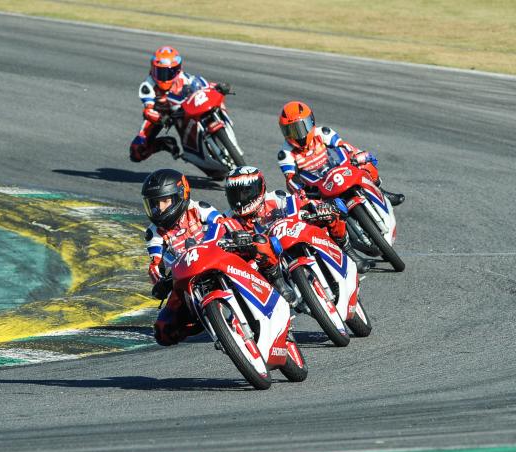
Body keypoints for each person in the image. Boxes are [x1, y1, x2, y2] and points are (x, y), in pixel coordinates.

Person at [142, 168, 292, 347]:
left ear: (180, 195)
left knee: (260, 244)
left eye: (164, 201)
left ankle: (277, 280)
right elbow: (155, 263)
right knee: (162, 331)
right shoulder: (153, 232)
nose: (159, 209)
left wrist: (237, 234)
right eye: (154, 204)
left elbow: (222, 222)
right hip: (187, 274)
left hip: (218, 254)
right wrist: (160, 281)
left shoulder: (197, 208)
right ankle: (210, 323)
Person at [223, 166, 372, 274]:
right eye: (234, 195)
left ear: (260, 188)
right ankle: (279, 285)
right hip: (267, 260)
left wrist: (317, 207)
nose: (239, 200)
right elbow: (219, 239)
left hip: (295, 234)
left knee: (334, 210)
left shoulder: (276, 197)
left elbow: (299, 202)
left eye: (245, 193)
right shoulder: (228, 218)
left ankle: (348, 251)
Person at [276, 101, 405, 206]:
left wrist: (359, 155)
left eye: (302, 127)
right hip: (316, 187)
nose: (299, 135)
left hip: (337, 170)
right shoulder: (285, 153)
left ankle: (381, 193)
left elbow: (344, 146)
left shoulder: (323, 133)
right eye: (292, 131)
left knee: (366, 164)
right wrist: (300, 191)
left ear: (312, 121)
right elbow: (291, 179)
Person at [130, 46, 232, 163]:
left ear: (178, 69)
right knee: (137, 151)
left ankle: (225, 123)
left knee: (215, 99)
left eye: (170, 72)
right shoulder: (148, 85)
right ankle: (164, 144)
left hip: (185, 108)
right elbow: (148, 109)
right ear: (153, 69)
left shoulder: (185, 78)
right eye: (160, 72)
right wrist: (159, 117)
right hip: (163, 115)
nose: (165, 76)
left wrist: (219, 87)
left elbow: (205, 86)